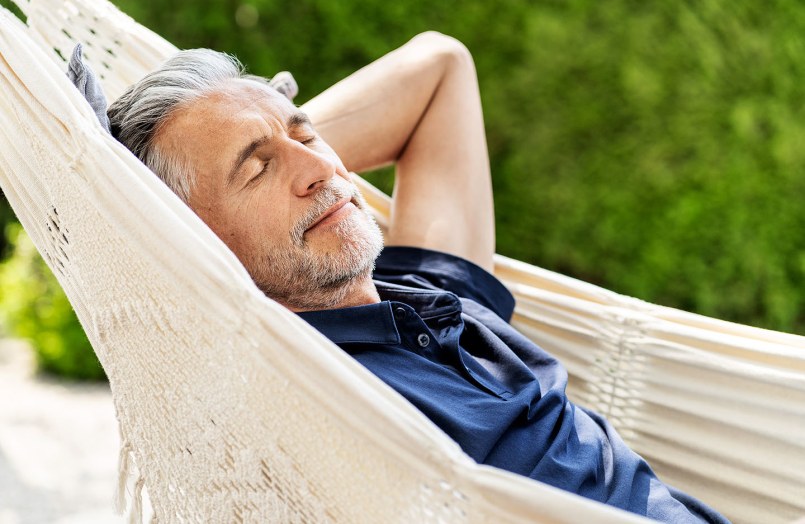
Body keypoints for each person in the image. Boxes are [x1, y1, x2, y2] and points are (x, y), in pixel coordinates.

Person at [107, 32, 729, 523]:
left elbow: (440, 67)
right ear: (190, 242)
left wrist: (259, 134)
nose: (322, 168)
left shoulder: (427, 295)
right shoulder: (317, 403)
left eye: (310, 135)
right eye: (257, 170)